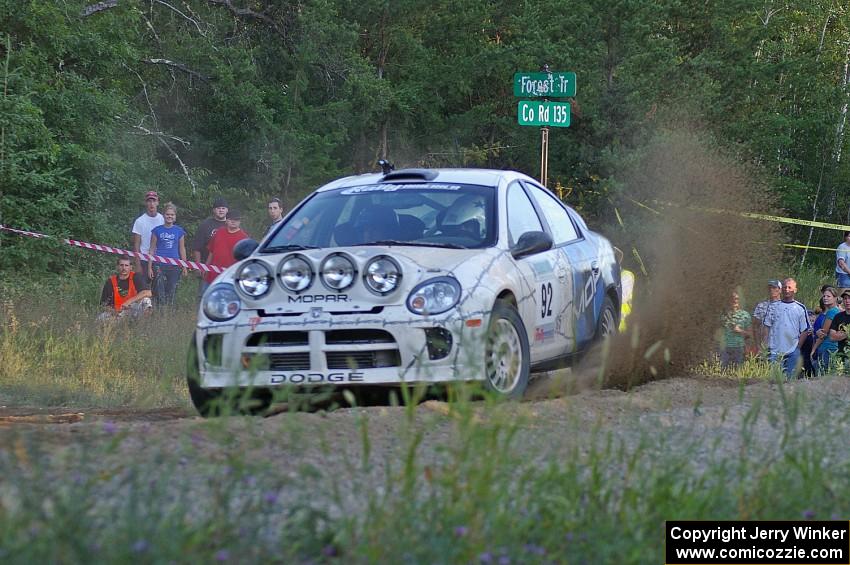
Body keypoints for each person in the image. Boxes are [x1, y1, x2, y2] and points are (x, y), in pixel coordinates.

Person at [763, 278, 811, 379]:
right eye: (785, 287)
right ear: (781, 289)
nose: (787, 289)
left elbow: (805, 330)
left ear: (795, 290)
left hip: (792, 351)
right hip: (774, 351)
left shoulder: (800, 308)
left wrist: (797, 347)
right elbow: (767, 327)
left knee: (791, 380)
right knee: (774, 381)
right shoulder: (773, 306)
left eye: (790, 287)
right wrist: (765, 346)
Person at [148, 202, 188, 307]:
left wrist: (184, 266)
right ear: (163, 215)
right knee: (159, 291)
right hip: (159, 264)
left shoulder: (179, 231)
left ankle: (170, 313)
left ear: (175, 216)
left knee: (172, 291)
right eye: (167, 214)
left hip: (174, 265)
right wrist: (149, 267)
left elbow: (182, 249)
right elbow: (151, 249)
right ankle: (160, 313)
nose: (169, 216)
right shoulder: (156, 230)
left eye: (172, 215)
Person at [192, 197, 228, 297]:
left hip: (226, 269)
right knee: (204, 296)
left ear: (227, 210)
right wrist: (198, 267)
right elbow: (197, 247)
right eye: (218, 208)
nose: (221, 210)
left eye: (223, 208)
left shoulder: (230, 224)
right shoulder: (205, 225)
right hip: (206, 268)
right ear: (213, 210)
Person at [98, 257, 152, 321]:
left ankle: (143, 325)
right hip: (118, 313)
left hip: (133, 310)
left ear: (131, 267)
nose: (124, 268)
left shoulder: (136, 277)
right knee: (100, 318)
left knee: (146, 300)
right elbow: (103, 305)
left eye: (126, 265)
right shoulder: (110, 282)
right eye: (121, 265)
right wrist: (115, 312)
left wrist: (129, 302)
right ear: (117, 267)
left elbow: (148, 292)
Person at [205, 209, 249, 285]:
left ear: (240, 221)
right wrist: (206, 267)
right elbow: (211, 252)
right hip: (213, 274)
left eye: (236, 219)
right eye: (230, 219)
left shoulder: (244, 238)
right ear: (226, 220)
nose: (233, 221)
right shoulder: (219, 232)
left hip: (231, 277)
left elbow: (245, 261)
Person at [131, 190, 164, 289]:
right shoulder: (140, 221)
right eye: (149, 201)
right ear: (146, 203)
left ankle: (160, 305)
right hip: (144, 259)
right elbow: (136, 244)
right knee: (143, 289)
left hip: (160, 258)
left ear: (158, 202)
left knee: (158, 289)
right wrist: (137, 264)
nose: (151, 204)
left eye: (154, 201)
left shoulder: (163, 219)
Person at [811, 286, 841, 374]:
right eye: (824, 296)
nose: (825, 298)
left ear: (835, 298)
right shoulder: (837, 311)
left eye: (828, 296)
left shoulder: (832, 312)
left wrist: (813, 350)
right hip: (832, 349)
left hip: (827, 349)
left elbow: (823, 334)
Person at [720, 291, 751, 369]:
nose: (734, 301)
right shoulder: (723, 315)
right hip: (725, 348)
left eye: (736, 299)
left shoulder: (745, 315)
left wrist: (740, 330)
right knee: (724, 372)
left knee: (738, 372)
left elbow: (750, 334)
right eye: (732, 298)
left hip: (739, 348)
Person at [751, 280, 782, 354]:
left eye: (774, 287)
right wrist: (758, 345)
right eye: (770, 288)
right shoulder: (761, 306)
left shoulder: (785, 306)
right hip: (764, 346)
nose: (772, 290)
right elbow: (755, 326)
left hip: (780, 346)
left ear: (780, 290)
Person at [828, 291, 850, 373]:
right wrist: (847, 333)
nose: (847, 301)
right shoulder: (838, 316)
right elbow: (832, 337)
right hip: (842, 356)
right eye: (845, 299)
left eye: (849, 298)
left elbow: (835, 335)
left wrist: (840, 334)